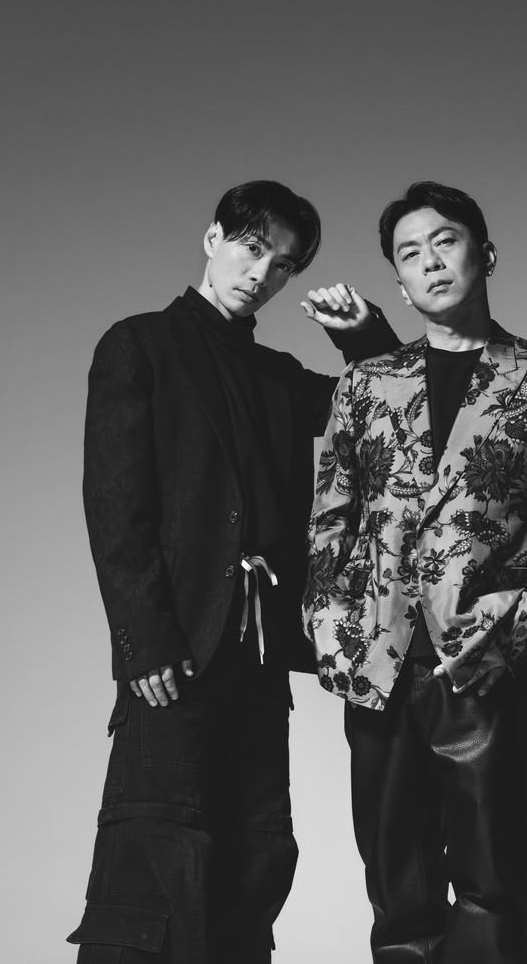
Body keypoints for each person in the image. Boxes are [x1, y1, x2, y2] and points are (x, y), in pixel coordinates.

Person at [69, 180, 401, 962]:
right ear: (213, 238)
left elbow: (386, 409)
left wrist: (365, 337)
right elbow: (115, 504)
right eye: (252, 249)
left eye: (281, 265)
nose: (261, 273)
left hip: (257, 659)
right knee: (153, 864)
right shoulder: (140, 344)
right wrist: (143, 641)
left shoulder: (277, 376)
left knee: (253, 864)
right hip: (173, 650)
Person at [305, 182, 527, 963]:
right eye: (410, 254)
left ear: (485, 254)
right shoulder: (367, 383)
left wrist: (518, 627)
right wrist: (329, 626)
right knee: (398, 893)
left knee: (496, 886)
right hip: (381, 665)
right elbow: (331, 515)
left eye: (445, 241)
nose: (430, 262)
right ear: (400, 281)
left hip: (487, 663)